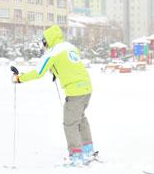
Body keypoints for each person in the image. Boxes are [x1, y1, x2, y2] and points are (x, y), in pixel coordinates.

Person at [12, 25, 96, 165]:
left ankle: (76, 157)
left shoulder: (52, 53)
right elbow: (70, 65)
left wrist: (20, 78)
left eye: (44, 42)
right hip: (86, 88)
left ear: (48, 40)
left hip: (75, 91)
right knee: (80, 118)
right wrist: (57, 72)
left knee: (70, 123)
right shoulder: (70, 47)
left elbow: (38, 72)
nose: (44, 45)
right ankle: (88, 150)